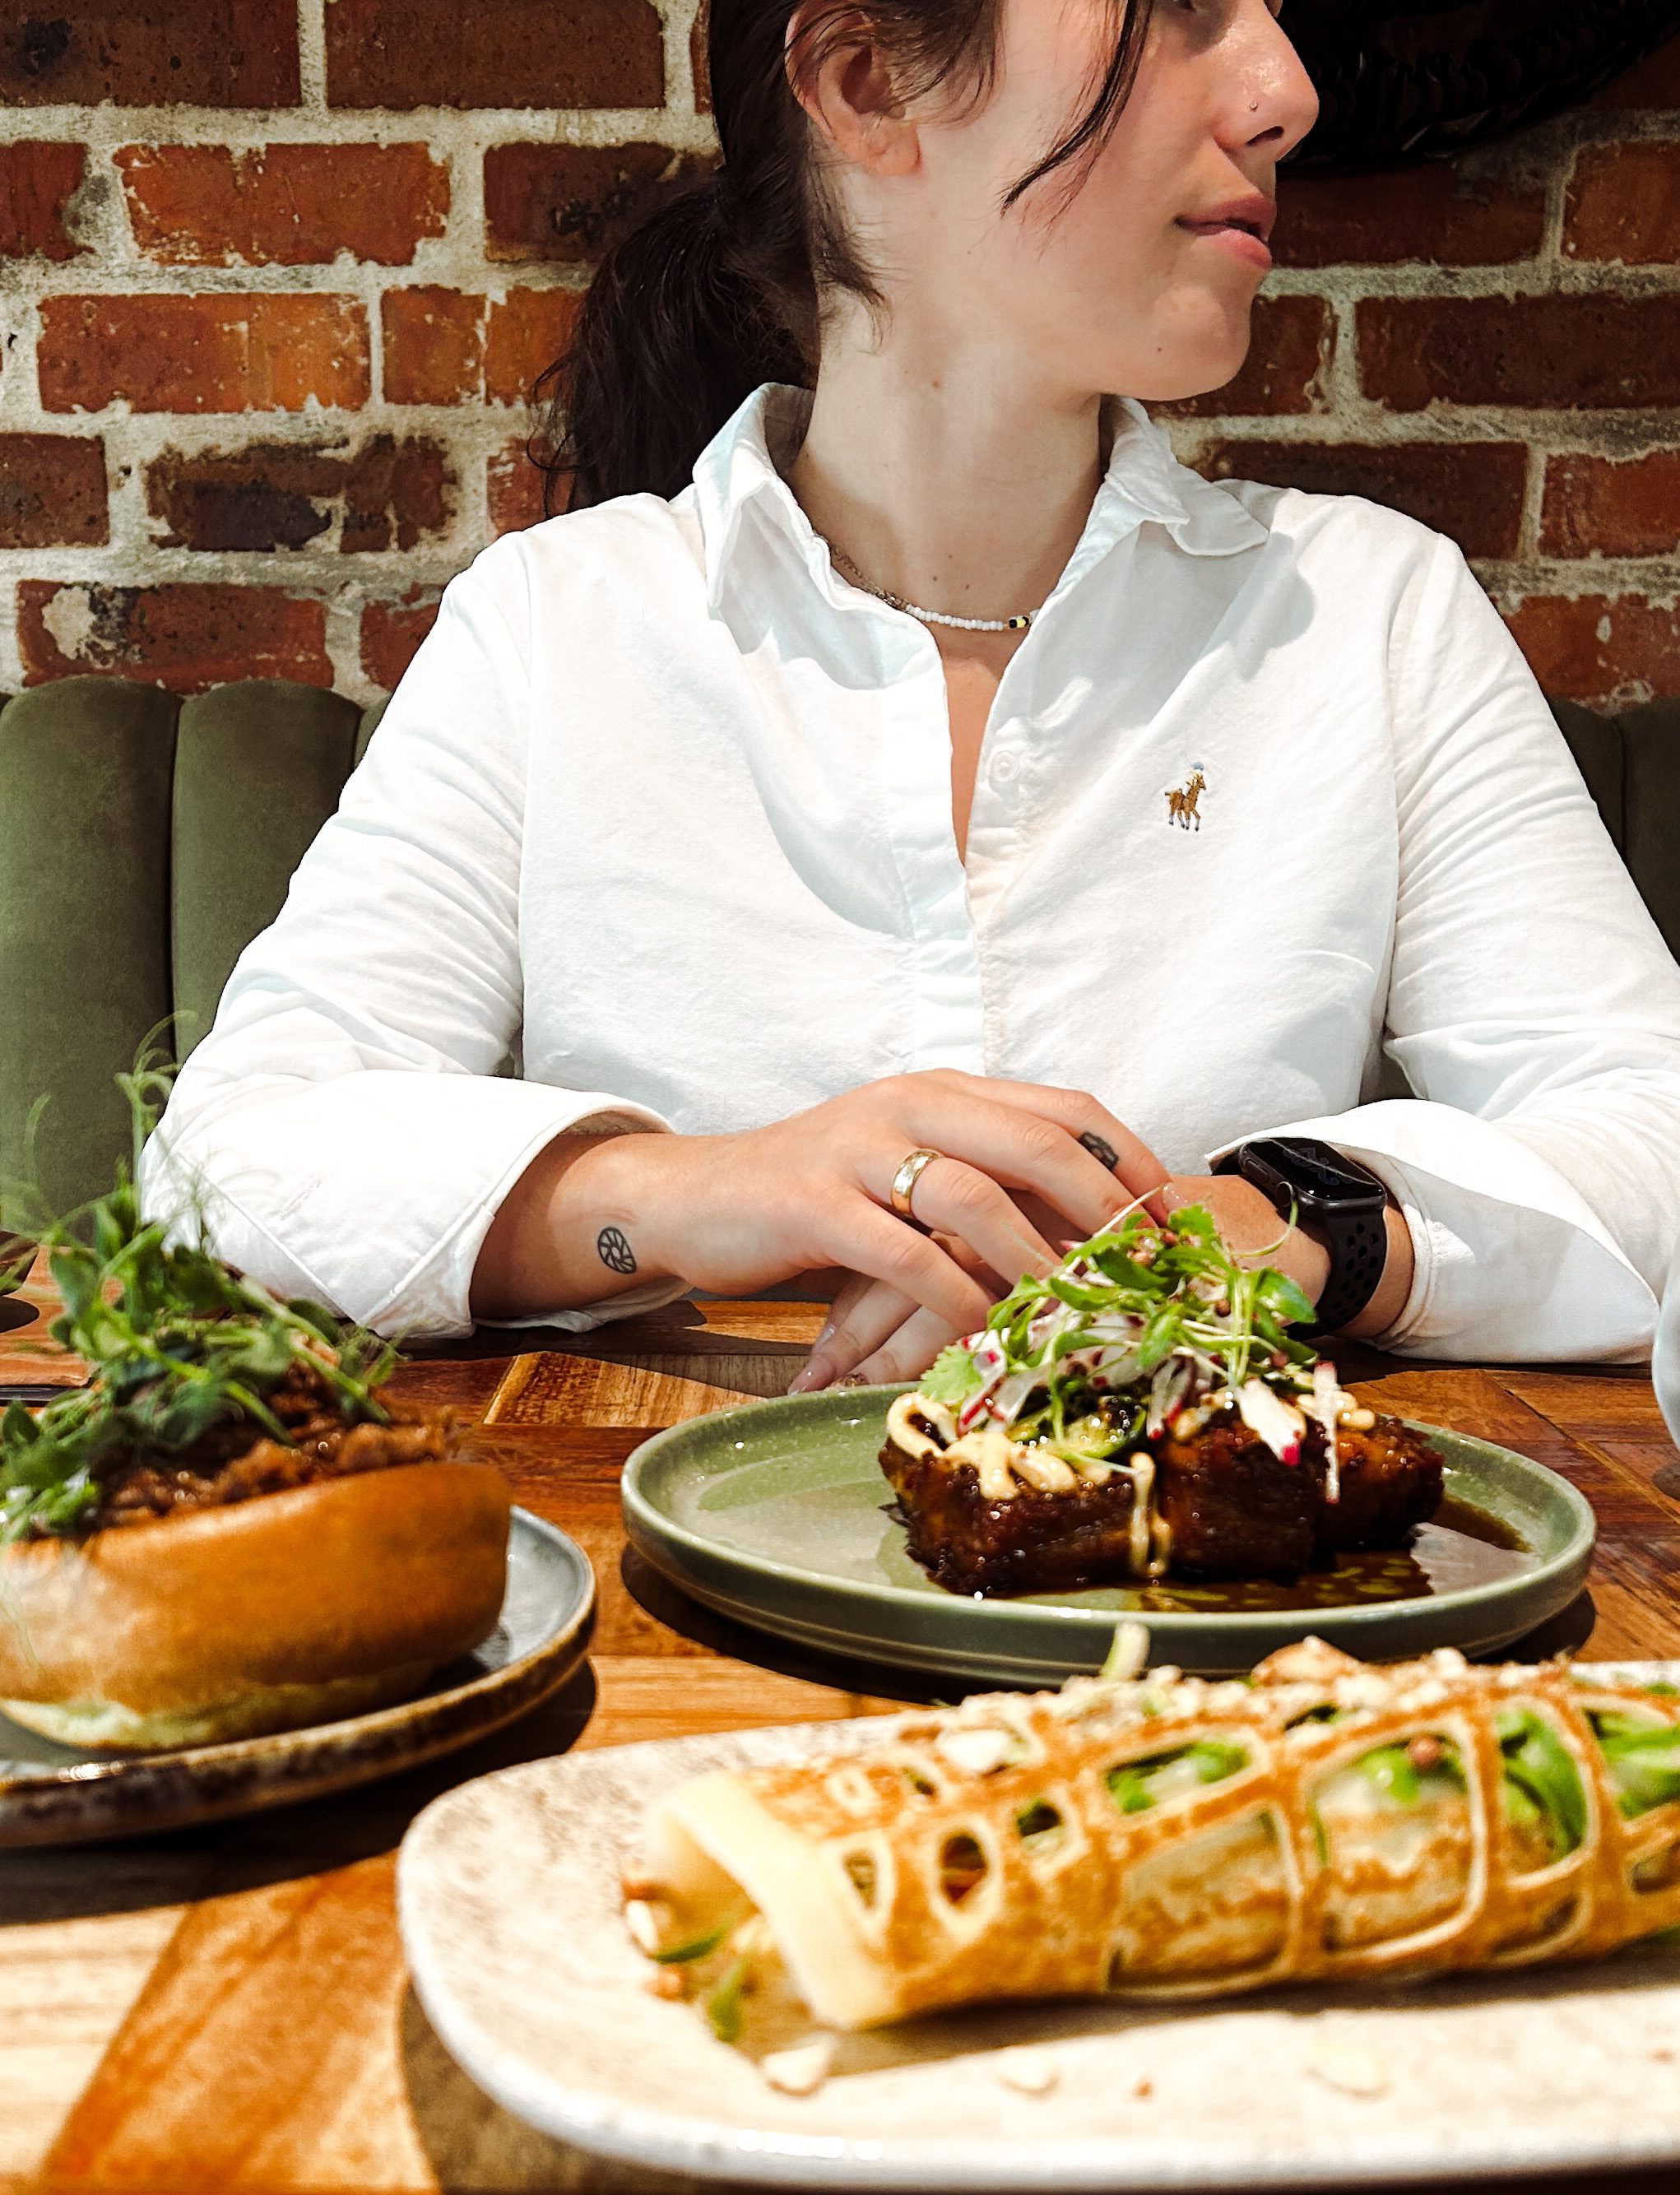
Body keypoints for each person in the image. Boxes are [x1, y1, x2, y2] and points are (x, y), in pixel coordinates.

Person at [143, 0, 1680, 1380]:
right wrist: (687, 1193)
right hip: (670, 1606)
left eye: (1269, 13)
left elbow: (1650, 1132)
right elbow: (228, 1166)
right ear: (867, 83)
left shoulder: (1367, 613)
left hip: (1240, 1615)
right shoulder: (560, 625)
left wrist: (1278, 1227)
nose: (1283, 89)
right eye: (1180, 11)